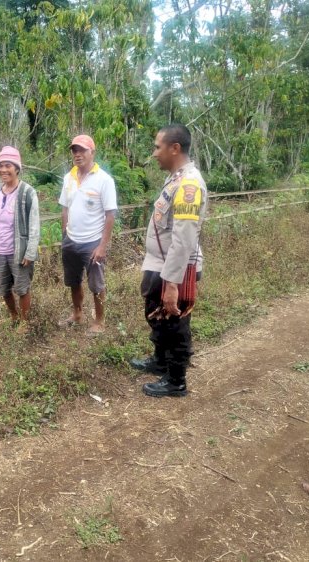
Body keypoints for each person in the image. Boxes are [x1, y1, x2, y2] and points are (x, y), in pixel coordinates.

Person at [131, 124, 208, 397]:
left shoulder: (189, 184)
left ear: (175, 148)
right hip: (159, 263)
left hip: (176, 269)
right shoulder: (175, 177)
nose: (154, 153)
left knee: (174, 322)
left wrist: (173, 283)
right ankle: (160, 360)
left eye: (157, 147)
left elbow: (184, 237)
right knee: (156, 314)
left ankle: (176, 380)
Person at [58, 134, 117, 335]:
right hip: (71, 240)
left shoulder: (104, 180)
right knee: (73, 281)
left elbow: (110, 215)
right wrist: (65, 234)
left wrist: (102, 246)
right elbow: (65, 208)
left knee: (97, 284)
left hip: (92, 242)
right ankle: (77, 313)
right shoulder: (69, 178)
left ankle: (99, 321)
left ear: (92, 152)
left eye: (82, 150)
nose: (77, 154)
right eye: (74, 150)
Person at [0, 146, 40, 332]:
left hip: (19, 252)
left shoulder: (27, 192)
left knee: (22, 288)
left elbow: (34, 225)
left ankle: (24, 322)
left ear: (17, 168)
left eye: (7, 165)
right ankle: (13, 316)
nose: (3, 170)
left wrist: (30, 252)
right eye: (0, 165)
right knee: (3, 288)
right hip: (0, 250)